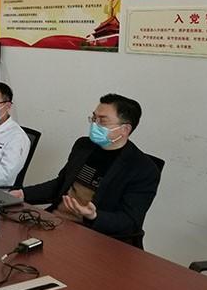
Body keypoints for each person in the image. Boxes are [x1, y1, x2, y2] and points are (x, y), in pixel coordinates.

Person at [10, 93, 160, 236]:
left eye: (102, 121)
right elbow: (61, 184)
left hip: (93, 234)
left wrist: (94, 215)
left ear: (125, 129)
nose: (95, 124)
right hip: (54, 221)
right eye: (94, 118)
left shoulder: (143, 169)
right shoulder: (84, 146)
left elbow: (130, 221)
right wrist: (23, 194)